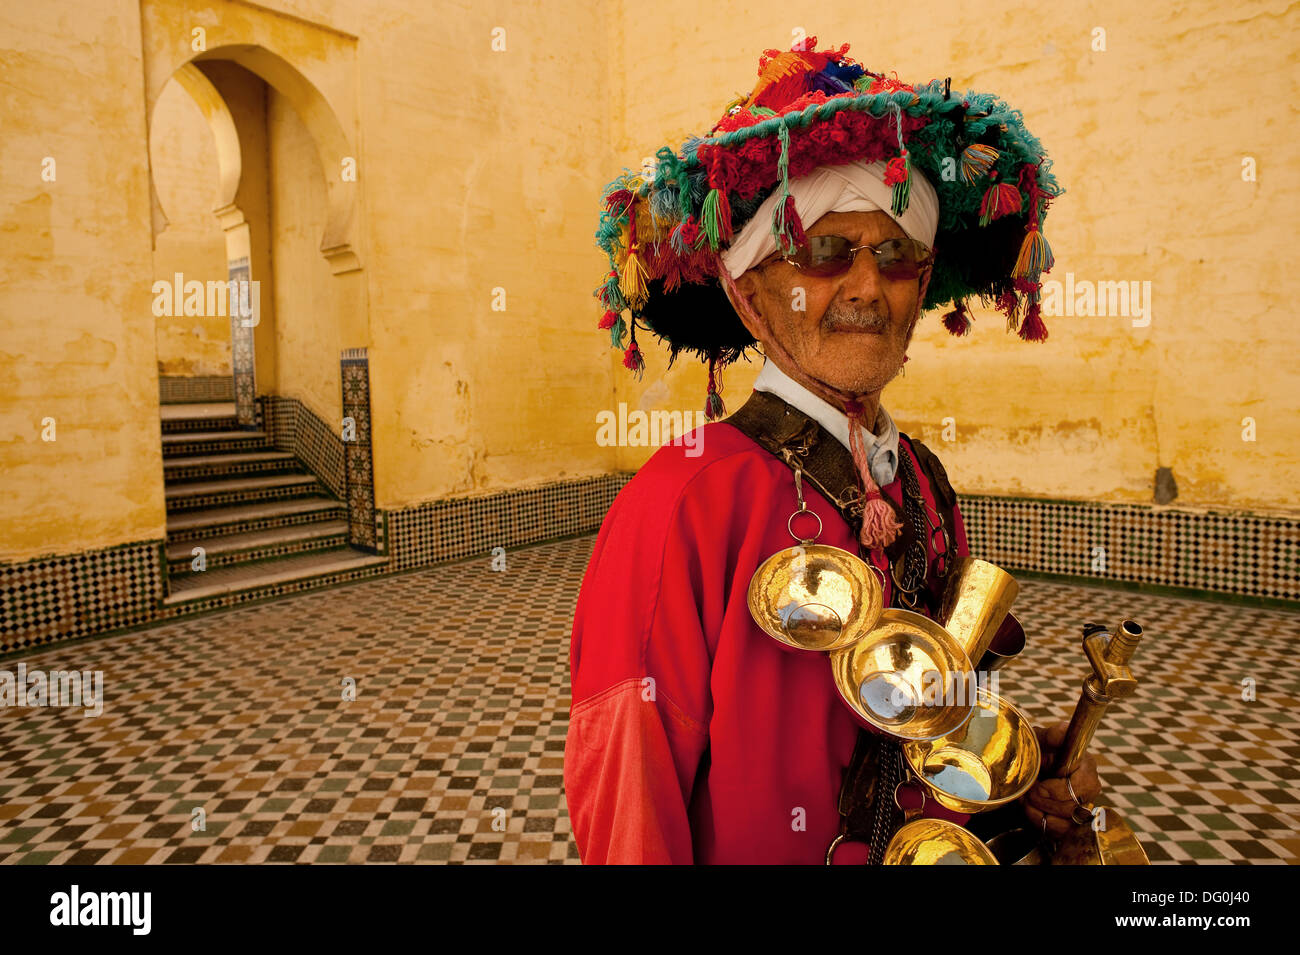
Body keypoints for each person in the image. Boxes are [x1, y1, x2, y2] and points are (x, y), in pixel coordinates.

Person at [566, 37, 1098, 864]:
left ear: (922, 285)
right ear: (748, 292)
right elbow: (628, 796)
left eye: (894, 255)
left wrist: (1013, 783)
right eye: (822, 252)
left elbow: (932, 722)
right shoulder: (682, 503)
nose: (863, 286)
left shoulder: (924, 480)